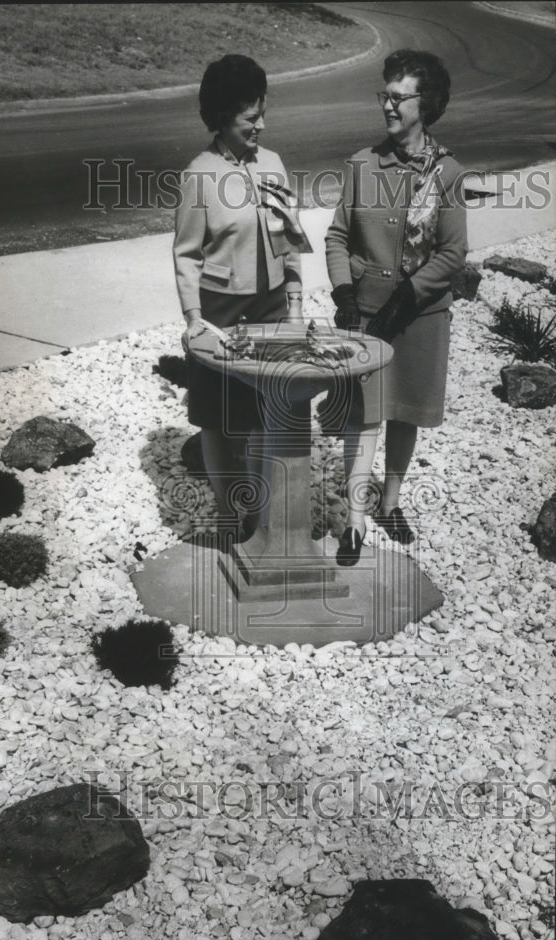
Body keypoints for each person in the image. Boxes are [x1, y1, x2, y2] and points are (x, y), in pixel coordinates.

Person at [324, 49, 467, 566]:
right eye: (384, 94)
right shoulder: (362, 166)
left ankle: (391, 501)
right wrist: (344, 293)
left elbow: (453, 253)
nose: (387, 105)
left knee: (403, 411)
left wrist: (409, 294)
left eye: (397, 97)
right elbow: (338, 237)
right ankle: (355, 522)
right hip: (366, 313)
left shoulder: (446, 172)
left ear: (424, 105)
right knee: (362, 416)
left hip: (420, 313)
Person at [174, 54, 310, 539]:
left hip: (270, 307)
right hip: (219, 313)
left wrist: (294, 300)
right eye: (251, 118)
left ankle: (256, 510)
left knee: (260, 417)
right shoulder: (199, 174)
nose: (261, 125)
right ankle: (229, 508)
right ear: (222, 116)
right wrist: (193, 318)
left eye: (262, 115)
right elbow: (187, 254)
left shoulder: (272, 164)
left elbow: (290, 237)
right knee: (215, 417)